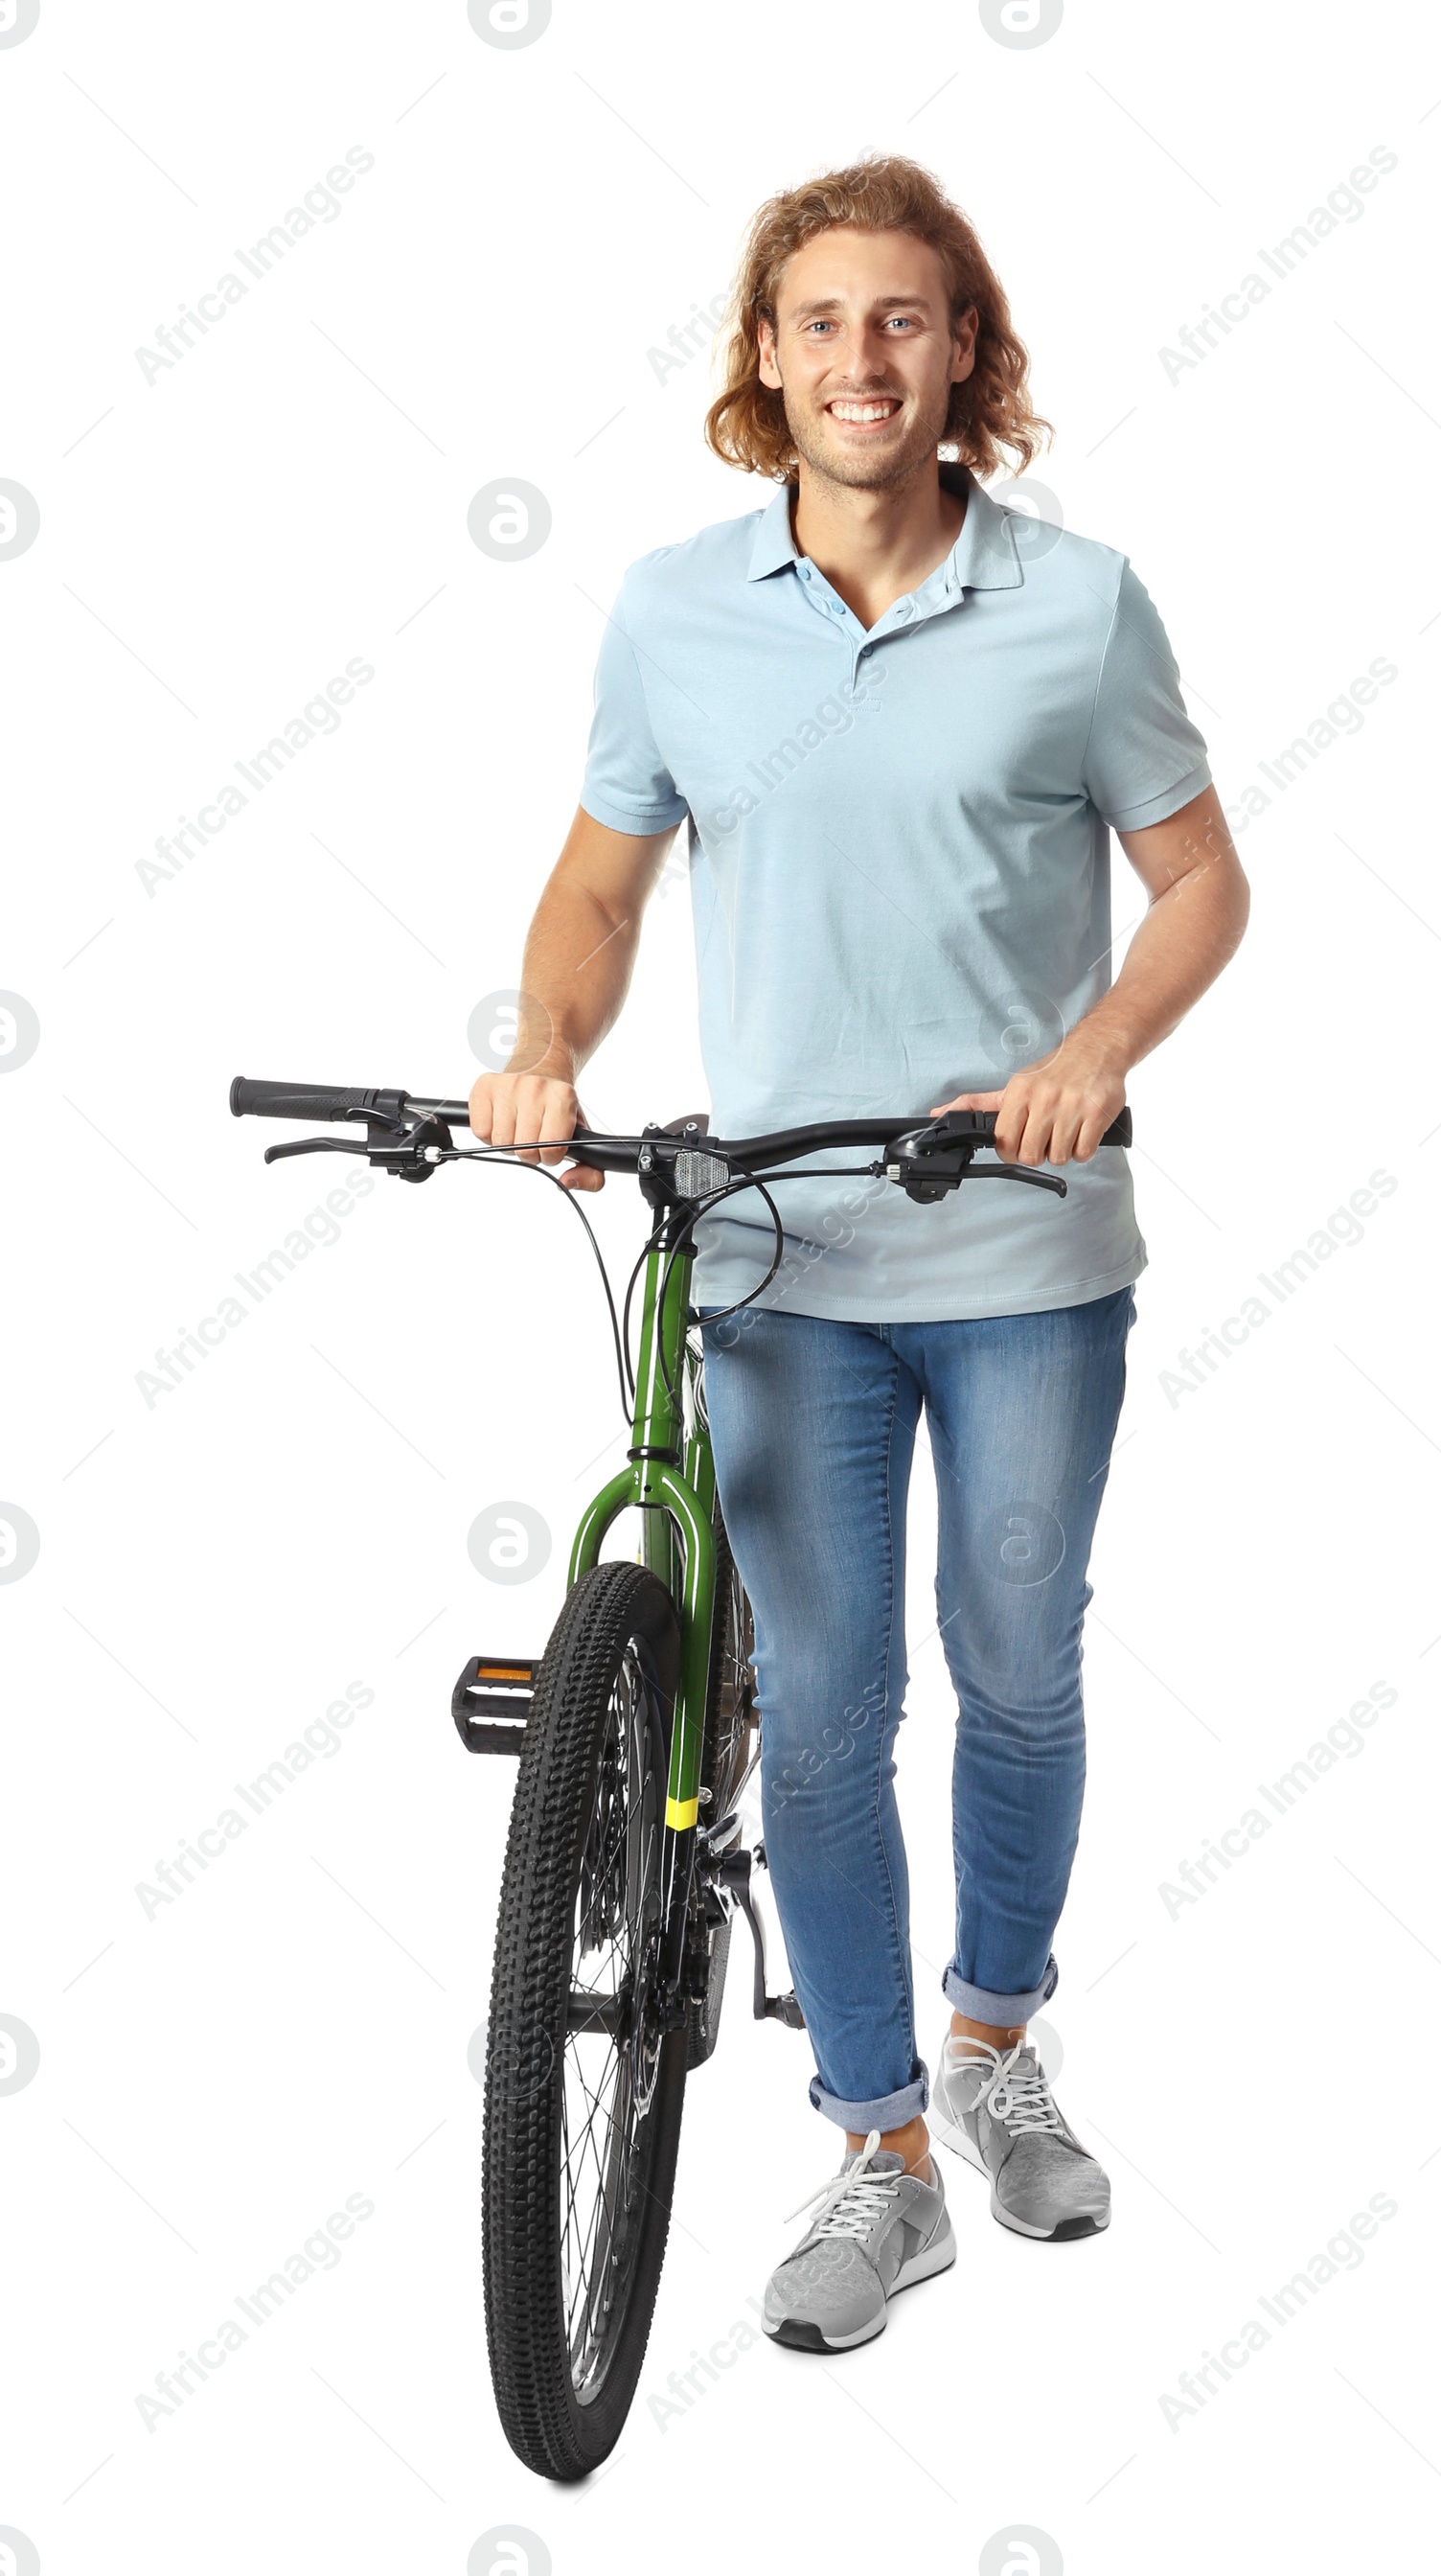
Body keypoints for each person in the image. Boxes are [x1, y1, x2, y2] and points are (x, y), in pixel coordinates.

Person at [469, 154, 1249, 2357]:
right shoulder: (668, 609)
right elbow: (599, 894)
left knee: (1012, 1660)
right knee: (817, 1710)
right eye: (818, 321)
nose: (858, 359)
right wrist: (540, 1046)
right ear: (762, 358)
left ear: (961, 356)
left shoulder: (1077, 603)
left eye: (901, 320)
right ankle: (878, 2148)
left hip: (1019, 1246)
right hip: (775, 1251)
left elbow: (1198, 884)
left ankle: (998, 2045)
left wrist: (1092, 1049)